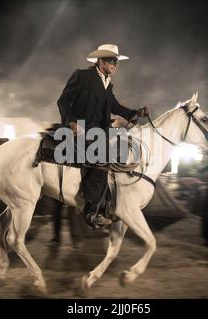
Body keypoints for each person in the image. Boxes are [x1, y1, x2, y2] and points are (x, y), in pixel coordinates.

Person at [57, 44, 148, 228]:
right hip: (79, 130)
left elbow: (115, 107)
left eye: (116, 61)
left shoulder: (107, 84)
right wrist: (72, 122)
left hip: (100, 132)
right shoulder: (81, 76)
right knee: (104, 154)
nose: (115, 64)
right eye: (112, 61)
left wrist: (135, 113)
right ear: (101, 61)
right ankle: (91, 210)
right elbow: (63, 101)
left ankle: (108, 202)